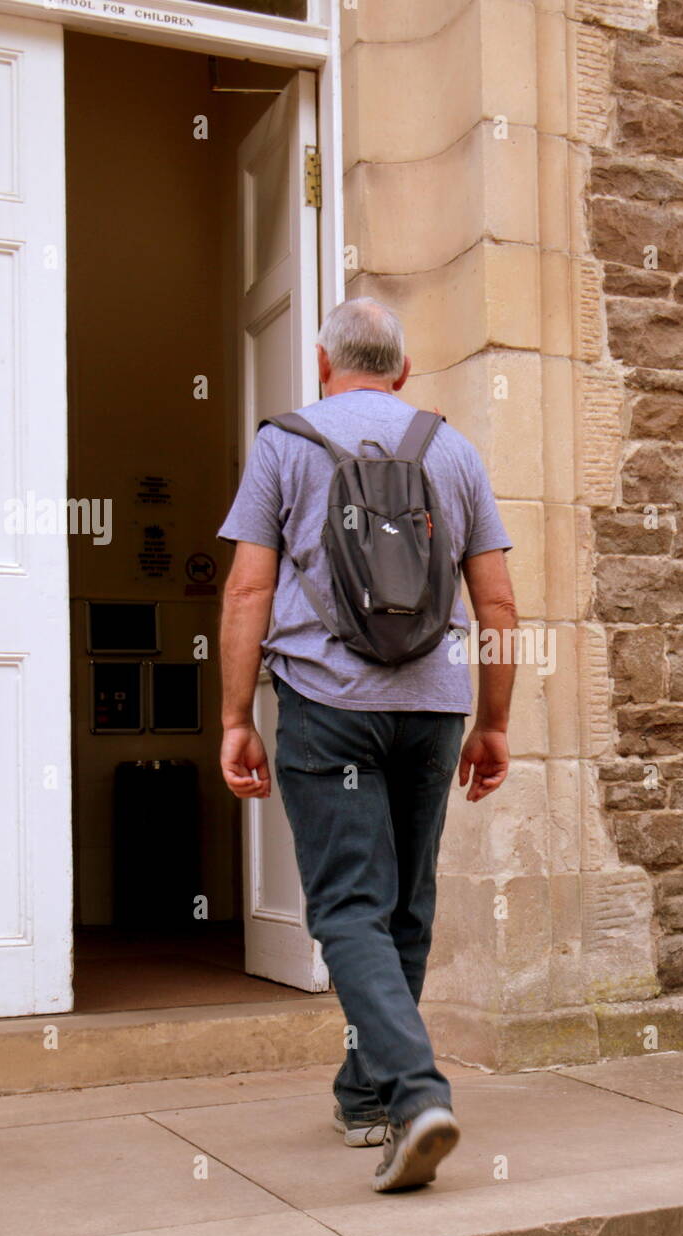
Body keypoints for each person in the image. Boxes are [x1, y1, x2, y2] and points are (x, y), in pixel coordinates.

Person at [216, 297, 517, 1189]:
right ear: (403, 371)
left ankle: (416, 1091)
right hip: (432, 709)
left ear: (321, 364)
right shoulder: (452, 450)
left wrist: (237, 717)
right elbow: (496, 603)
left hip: (326, 701)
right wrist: (494, 720)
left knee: (350, 907)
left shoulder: (286, 444)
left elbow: (245, 594)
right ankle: (369, 1094)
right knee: (404, 908)